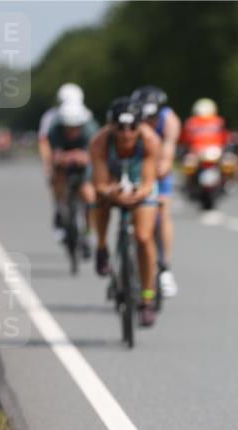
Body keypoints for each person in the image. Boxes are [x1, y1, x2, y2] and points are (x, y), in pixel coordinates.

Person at [89, 97, 163, 327]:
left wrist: (137, 195)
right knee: (98, 200)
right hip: (112, 183)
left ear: (140, 125)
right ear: (111, 126)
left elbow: (150, 181)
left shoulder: (151, 140)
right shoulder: (100, 142)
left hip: (141, 185)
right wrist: (112, 194)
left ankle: (148, 298)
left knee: (143, 237)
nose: (127, 134)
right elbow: (100, 183)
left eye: (132, 127)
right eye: (120, 128)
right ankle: (101, 246)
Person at [131, 86, 180, 298]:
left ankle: (165, 267)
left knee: (161, 211)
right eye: (145, 116)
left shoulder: (170, 120)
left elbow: (168, 151)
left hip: (158, 167)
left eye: (153, 116)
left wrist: (162, 167)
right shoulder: (130, 118)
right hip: (135, 165)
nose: (149, 120)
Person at [47, 101, 99, 252]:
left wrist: (84, 157)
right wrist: (64, 158)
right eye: (68, 128)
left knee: (89, 196)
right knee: (57, 177)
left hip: (85, 162)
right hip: (64, 163)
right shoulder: (54, 130)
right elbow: (55, 156)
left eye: (76, 127)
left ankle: (89, 231)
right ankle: (60, 209)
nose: (72, 132)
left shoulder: (91, 130)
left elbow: (96, 155)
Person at [39, 83, 85, 229]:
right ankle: (59, 208)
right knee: (56, 177)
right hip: (59, 151)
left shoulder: (85, 114)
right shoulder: (50, 117)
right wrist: (48, 163)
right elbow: (44, 141)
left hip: (80, 152)